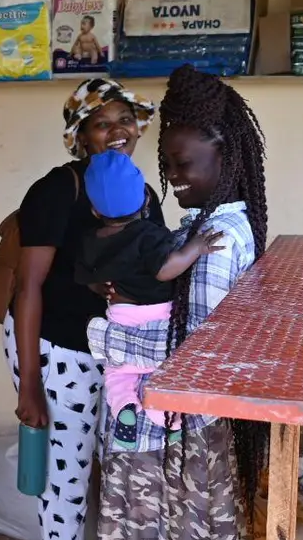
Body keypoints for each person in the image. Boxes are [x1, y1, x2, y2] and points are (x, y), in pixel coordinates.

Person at [85, 64, 270, 540]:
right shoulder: (205, 226)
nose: (174, 177)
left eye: (183, 164)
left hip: (171, 434)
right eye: (166, 165)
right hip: (172, 426)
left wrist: (113, 332)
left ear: (225, 155)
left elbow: (195, 358)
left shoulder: (216, 240)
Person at [5, 77, 162, 540]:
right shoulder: (58, 190)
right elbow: (28, 289)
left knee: (117, 474)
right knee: (64, 486)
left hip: (115, 355)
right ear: (81, 137)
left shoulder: (144, 194)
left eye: (125, 119)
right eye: (102, 123)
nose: (118, 131)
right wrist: (29, 386)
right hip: (55, 350)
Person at [74, 149, 224, 446]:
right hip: (159, 316)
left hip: (120, 316)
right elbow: (165, 270)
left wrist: (98, 288)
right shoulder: (149, 234)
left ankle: (124, 408)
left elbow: (87, 278)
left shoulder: (90, 240)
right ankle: (169, 419)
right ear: (145, 199)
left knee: (119, 372)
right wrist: (195, 248)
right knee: (161, 371)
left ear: (94, 211)